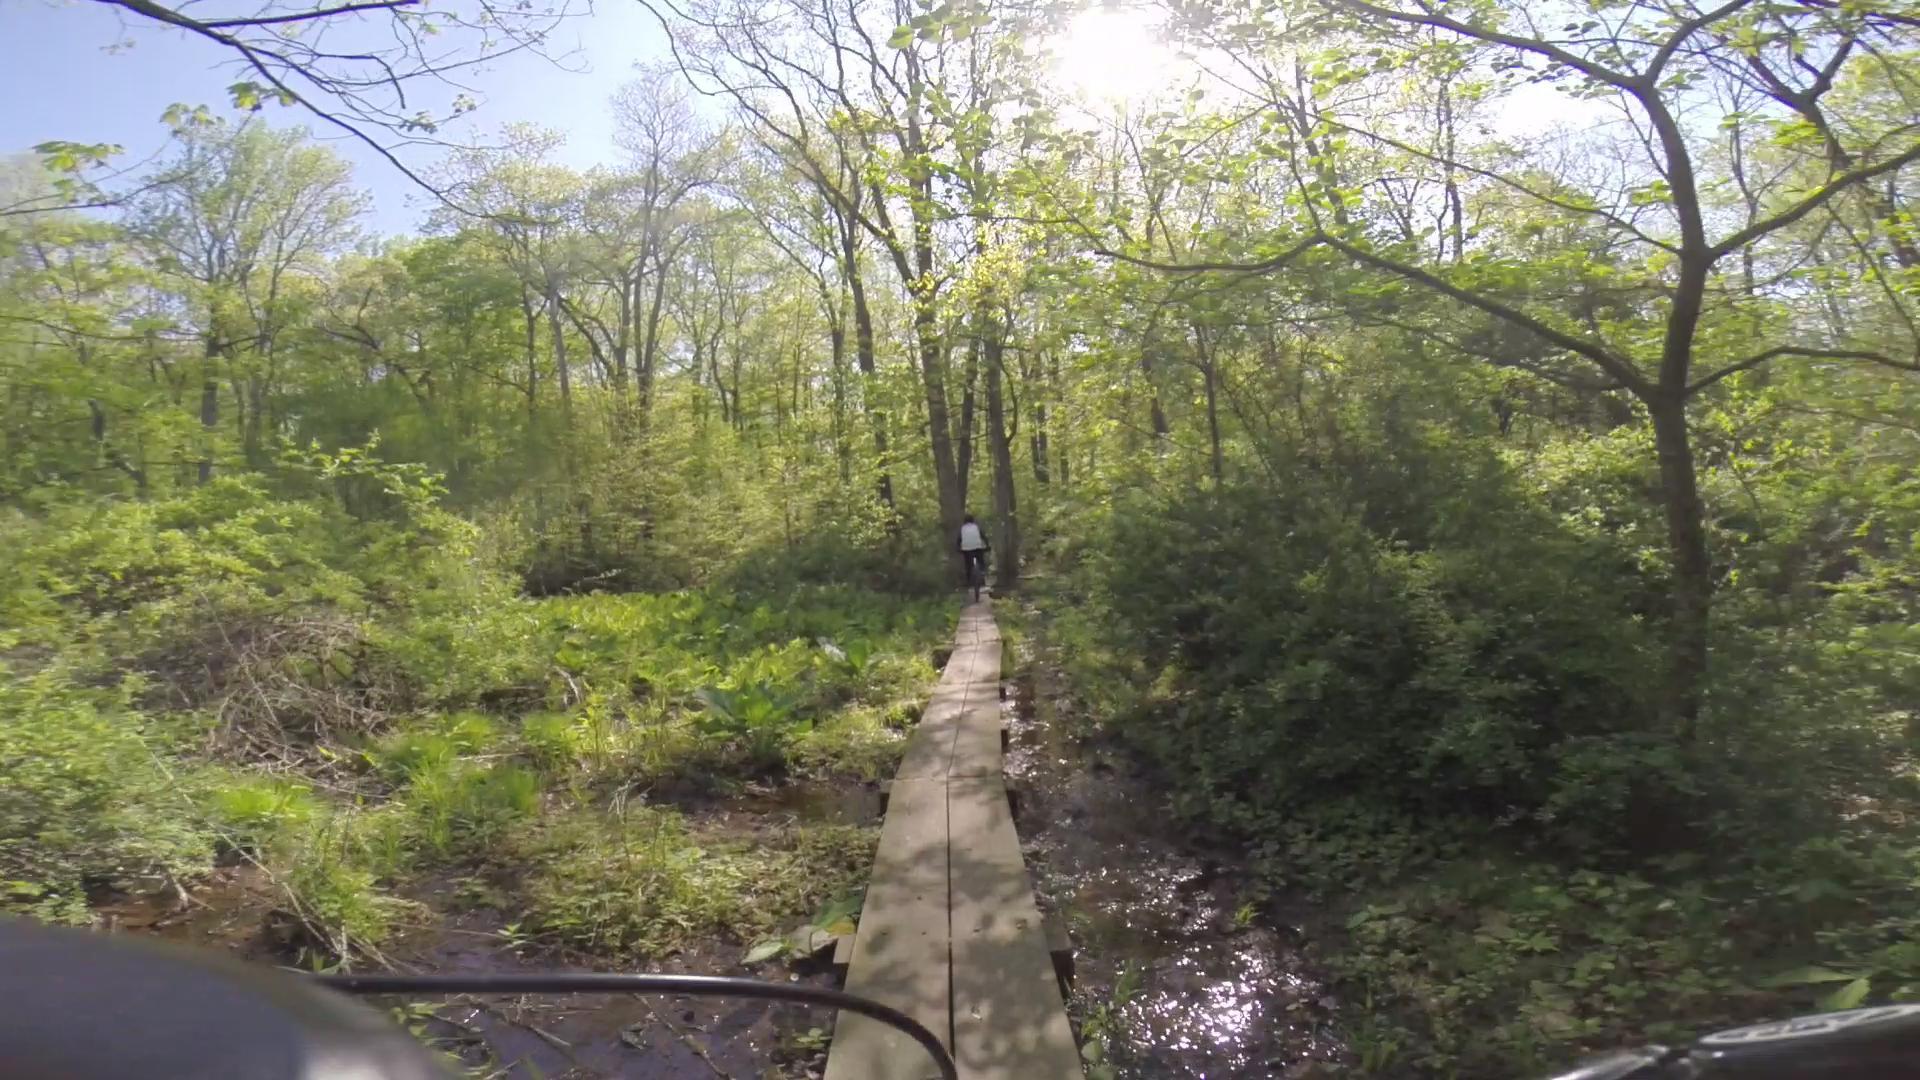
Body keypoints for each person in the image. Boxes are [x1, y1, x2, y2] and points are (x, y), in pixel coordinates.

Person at [957, 513, 989, 595]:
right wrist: (988, 545)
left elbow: (959, 539)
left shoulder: (962, 528)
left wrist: (958, 548)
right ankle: (982, 572)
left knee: (968, 565)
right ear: (973, 520)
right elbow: (983, 536)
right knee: (981, 561)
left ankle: (968, 582)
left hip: (966, 549)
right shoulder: (976, 527)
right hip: (977, 547)